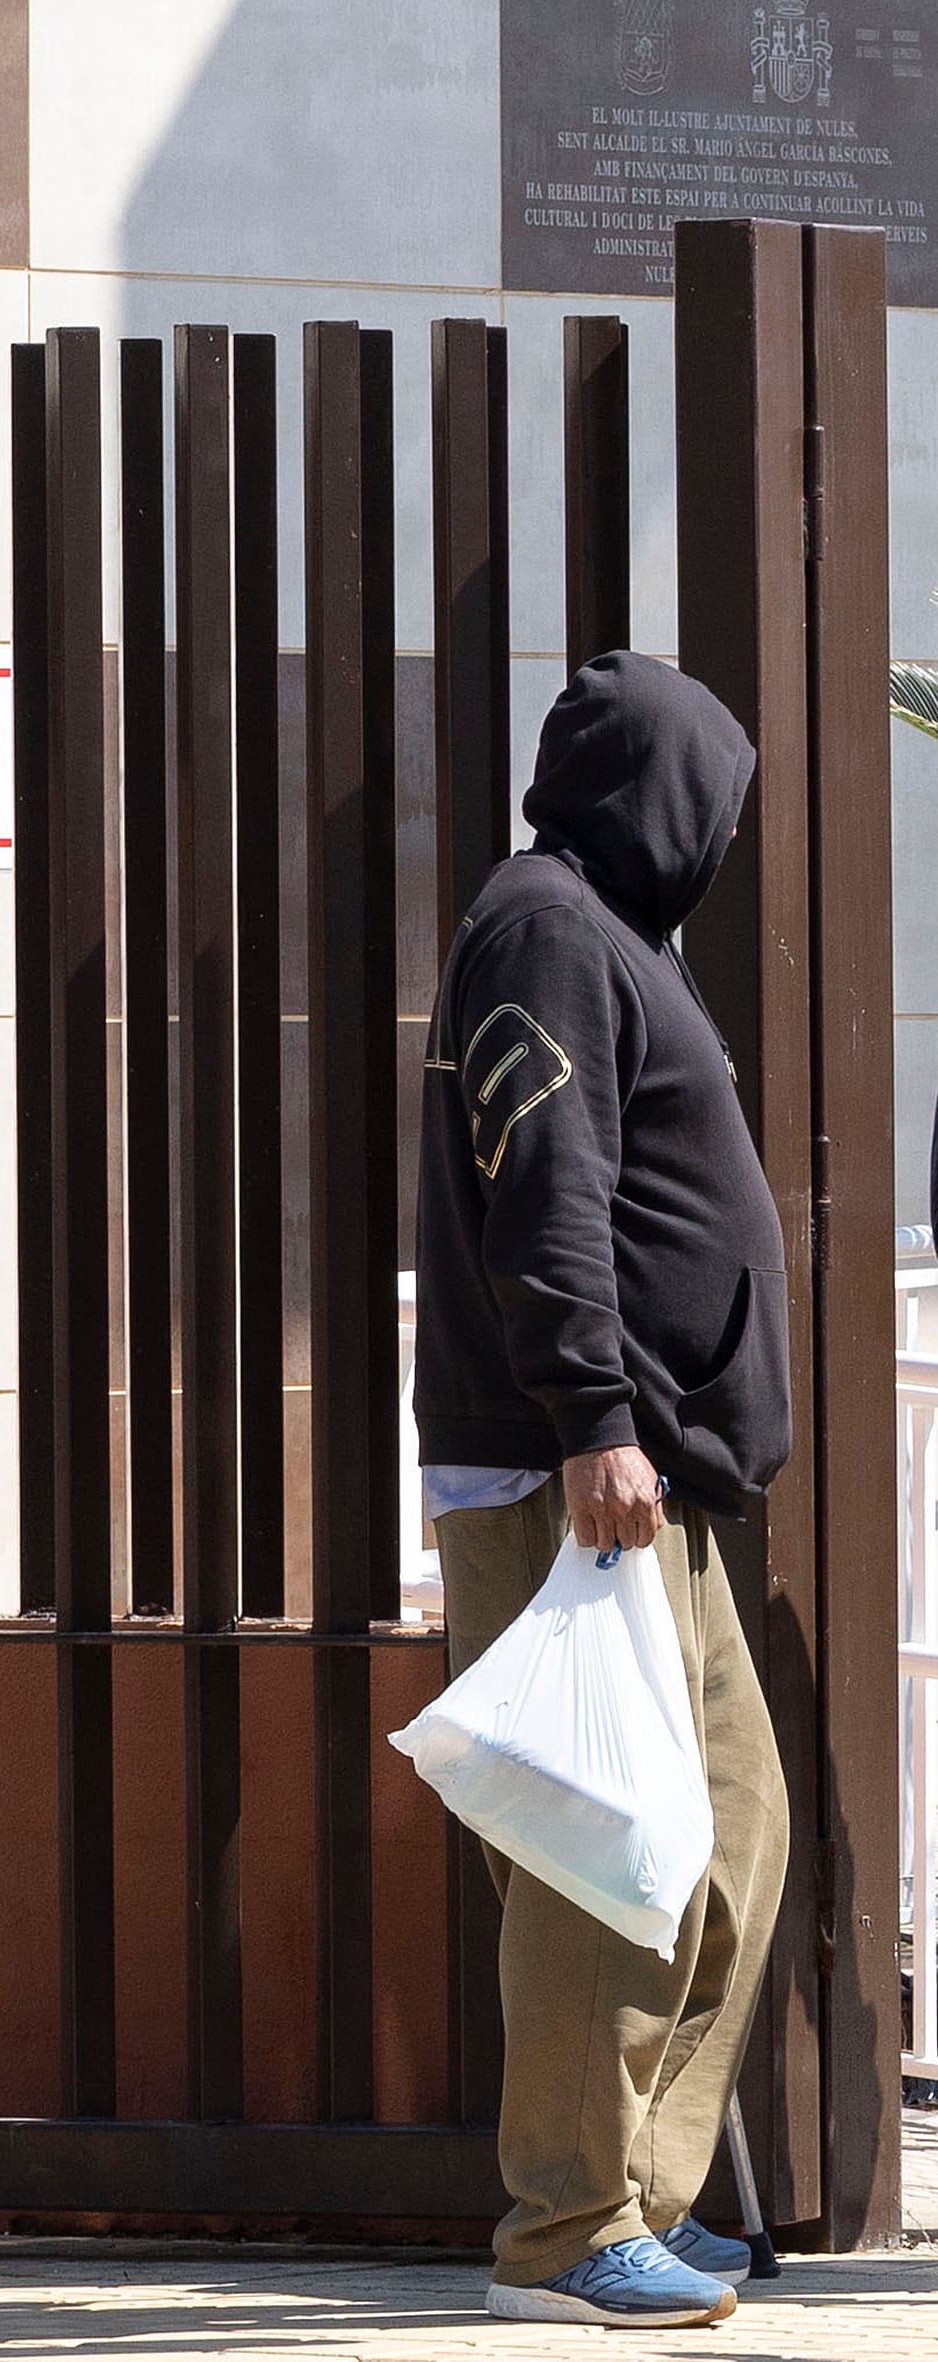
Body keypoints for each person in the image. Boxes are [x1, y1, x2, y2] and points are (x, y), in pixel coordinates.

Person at [413, 652, 794, 2330]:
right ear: (665, 785)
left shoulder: (608, 936)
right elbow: (548, 1190)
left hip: (643, 1475)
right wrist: (592, 1416)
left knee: (732, 1831)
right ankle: (564, 2228)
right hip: (575, 1473)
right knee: (604, 1846)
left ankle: (638, 2193)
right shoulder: (549, 930)